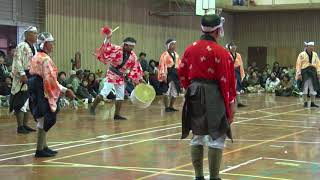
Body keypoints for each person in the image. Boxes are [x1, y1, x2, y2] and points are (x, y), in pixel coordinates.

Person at [178, 14, 236, 180]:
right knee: (216, 136)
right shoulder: (222, 52)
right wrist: (231, 103)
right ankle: (215, 177)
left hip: (194, 92)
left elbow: (182, 73)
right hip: (214, 95)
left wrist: (191, 89)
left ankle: (198, 177)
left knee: (197, 135)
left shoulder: (190, 48)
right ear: (218, 30)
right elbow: (227, 80)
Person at [28, 32, 76, 157]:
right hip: (42, 90)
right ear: (45, 44)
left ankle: (44, 146)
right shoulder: (45, 59)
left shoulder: (36, 56)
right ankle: (39, 149)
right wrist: (65, 90)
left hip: (35, 89)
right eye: (51, 43)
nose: (53, 45)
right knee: (44, 119)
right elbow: (50, 80)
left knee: (42, 119)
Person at [90, 26, 144, 120]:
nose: (132, 48)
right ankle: (92, 107)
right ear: (125, 45)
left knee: (120, 96)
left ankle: (116, 115)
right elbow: (106, 47)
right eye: (130, 46)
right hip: (112, 73)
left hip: (120, 76)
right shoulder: (117, 49)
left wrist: (140, 79)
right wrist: (108, 37)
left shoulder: (133, 55)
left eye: (133, 46)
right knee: (104, 92)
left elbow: (136, 67)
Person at [10, 26, 38, 134]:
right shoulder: (21, 46)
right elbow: (17, 60)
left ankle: (25, 125)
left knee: (28, 101)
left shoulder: (34, 48)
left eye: (36, 33)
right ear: (27, 35)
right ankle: (20, 126)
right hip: (22, 76)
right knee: (20, 101)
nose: (36, 35)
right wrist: (22, 73)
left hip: (31, 76)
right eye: (34, 33)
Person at [158, 38, 181, 112]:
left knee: (175, 91)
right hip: (168, 73)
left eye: (174, 44)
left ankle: (171, 106)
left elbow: (179, 64)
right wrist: (164, 75)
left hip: (175, 74)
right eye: (171, 44)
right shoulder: (164, 55)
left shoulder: (176, 54)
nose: (173, 46)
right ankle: (166, 107)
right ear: (168, 46)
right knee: (166, 91)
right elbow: (162, 65)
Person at [296, 41, 320, 108]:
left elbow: (318, 64)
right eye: (310, 46)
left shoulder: (315, 54)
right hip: (304, 72)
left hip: (313, 71)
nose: (312, 48)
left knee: (313, 88)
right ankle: (305, 103)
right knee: (305, 87)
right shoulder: (301, 54)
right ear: (307, 47)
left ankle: (312, 103)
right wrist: (299, 73)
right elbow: (298, 64)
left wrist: (318, 72)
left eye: (313, 46)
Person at [227, 42, 246, 107]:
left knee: (238, 86)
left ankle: (239, 102)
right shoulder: (227, 54)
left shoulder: (238, 55)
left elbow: (241, 64)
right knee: (230, 87)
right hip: (230, 72)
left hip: (237, 72)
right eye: (232, 47)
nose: (234, 48)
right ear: (229, 47)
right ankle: (229, 102)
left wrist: (242, 73)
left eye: (235, 47)